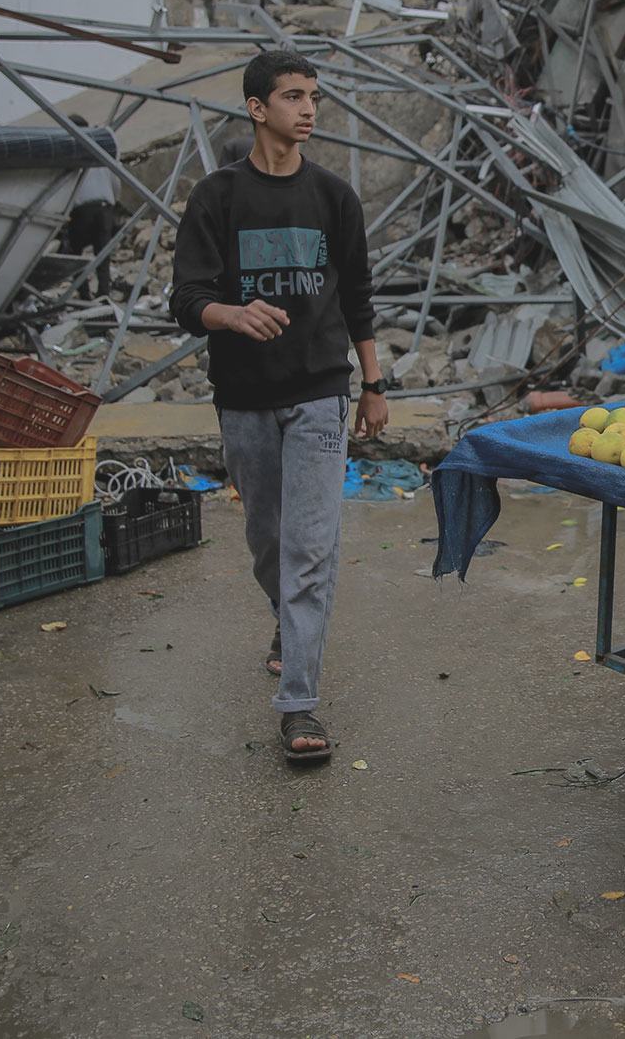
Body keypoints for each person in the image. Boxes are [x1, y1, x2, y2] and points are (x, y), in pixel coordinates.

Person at [170, 51, 389, 765]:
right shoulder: (217, 198)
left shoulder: (333, 198)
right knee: (268, 542)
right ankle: (285, 625)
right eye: (292, 96)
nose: (308, 109)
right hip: (244, 399)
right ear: (258, 108)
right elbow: (185, 299)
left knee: (310, 551)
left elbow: (357, 295)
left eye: (314, 97)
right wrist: (232, 316)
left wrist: (375, 384)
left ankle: (299, 707)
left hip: (320, 394)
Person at [63, 115, 122, 300]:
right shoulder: (101, 148)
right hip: (104, 208)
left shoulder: (72, 151)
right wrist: (113, 202)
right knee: (102, 254)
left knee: (76, 254)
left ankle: (83, 294)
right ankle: (104, 293)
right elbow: (116, 181)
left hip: (81, 210)